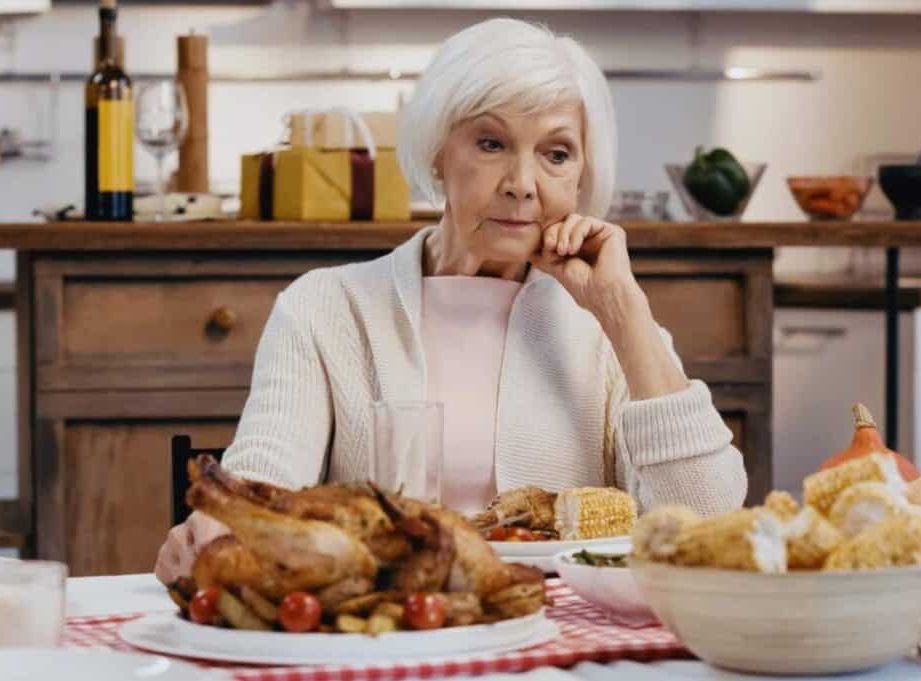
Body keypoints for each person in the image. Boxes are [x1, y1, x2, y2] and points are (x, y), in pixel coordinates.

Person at [155, 17, 747, 585]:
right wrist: (219, 524)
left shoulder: (607, 329)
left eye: (556, 154)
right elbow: (265, 478)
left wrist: (623, 311)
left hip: (562, 638)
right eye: (491, 143)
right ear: (439, 151)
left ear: (581, 176)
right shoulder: (323, 308)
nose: (522, 181)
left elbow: (711, 524)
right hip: (393, 631)